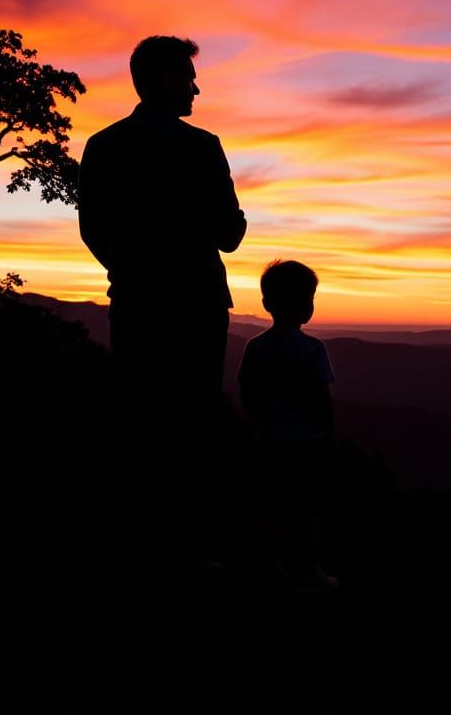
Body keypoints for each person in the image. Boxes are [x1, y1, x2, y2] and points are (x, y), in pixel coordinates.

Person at [77, 35, 246, 554]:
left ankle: (141, 538)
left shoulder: (103, 146)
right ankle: (193, 543)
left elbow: (91, 230)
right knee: (194, 421)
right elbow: (230, 235)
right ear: (165, 80)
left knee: (140, 418)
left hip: (135, 303)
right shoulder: (202, 146)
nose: (196, 88)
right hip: (197, 305)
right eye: (188, 77)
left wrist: (131, 271)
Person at [238, 260, 338, 593]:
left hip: (266, 442)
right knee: (306, 510)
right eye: (308, 298)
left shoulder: (255, 347)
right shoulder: (313, 349)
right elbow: (322, 400)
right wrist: (329, 438)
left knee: (269, 509)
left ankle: (269, 568)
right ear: (307, 305)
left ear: (267, 304)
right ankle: (308, 572)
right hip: (306, 445)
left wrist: (258, 426)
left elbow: (247, 393)